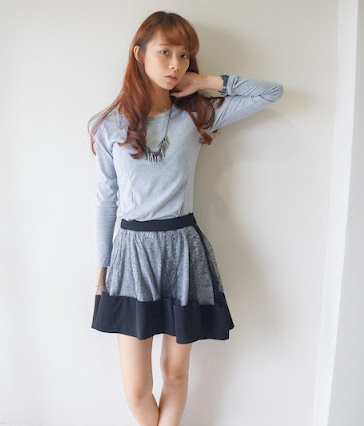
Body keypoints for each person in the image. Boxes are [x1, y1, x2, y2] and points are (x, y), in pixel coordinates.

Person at [89, 11, 282, 426]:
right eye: (165, 53)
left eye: (184, 55)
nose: (175, 64)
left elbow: (271, 92)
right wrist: (102, 268)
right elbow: (106, 200)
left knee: (175, 373)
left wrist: (205, 81)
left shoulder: (194, 116)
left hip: (182, 249)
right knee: (136, 389)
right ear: (139, 54)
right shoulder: (108, 125)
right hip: (132, 254)